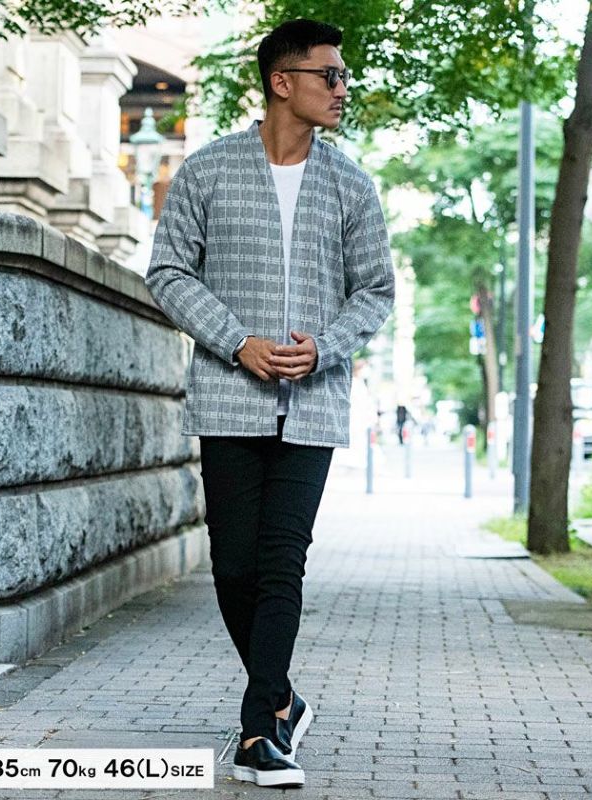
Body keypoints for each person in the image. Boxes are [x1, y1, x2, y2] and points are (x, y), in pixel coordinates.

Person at [145, 18, 394, 788]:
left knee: (283, 563)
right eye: (330, 75)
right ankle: (282, 696)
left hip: (312, 404)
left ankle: (260, 732)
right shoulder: (209, 171)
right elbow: (168, 271)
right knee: (233, 567)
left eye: (344, 76)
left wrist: (325, 346)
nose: (342, 89)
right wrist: (236, 342)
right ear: (282, 81)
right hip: (229, 399)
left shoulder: (350, 183)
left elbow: (375, 289)